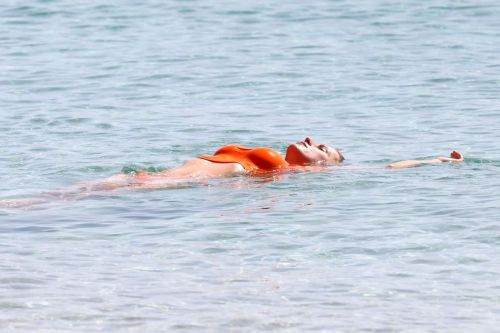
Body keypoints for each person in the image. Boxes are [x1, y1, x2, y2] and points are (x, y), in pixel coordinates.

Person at [0, 137, 463, 207]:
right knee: (56, 196)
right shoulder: (276, 159)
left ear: (326, 166)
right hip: (149, 177)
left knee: (51, 200)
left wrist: (437, 161)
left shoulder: (301, 176)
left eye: (323, 147)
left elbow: (390, 167)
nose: (312, 140)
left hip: (170, 183)